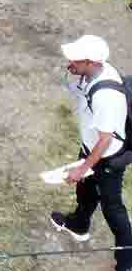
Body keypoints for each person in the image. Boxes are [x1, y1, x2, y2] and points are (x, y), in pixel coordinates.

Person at [51, 35, 132, 268]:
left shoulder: (107, 97)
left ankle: (126, 262)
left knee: (113, 210)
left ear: (91, 62)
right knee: (85, 191)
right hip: (90, 148)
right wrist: (71, 73)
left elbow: (105, 140)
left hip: (107, 158)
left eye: (75, 60)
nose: (70, 62)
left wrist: (84, 167)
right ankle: (79, 224)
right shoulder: (89, 73)